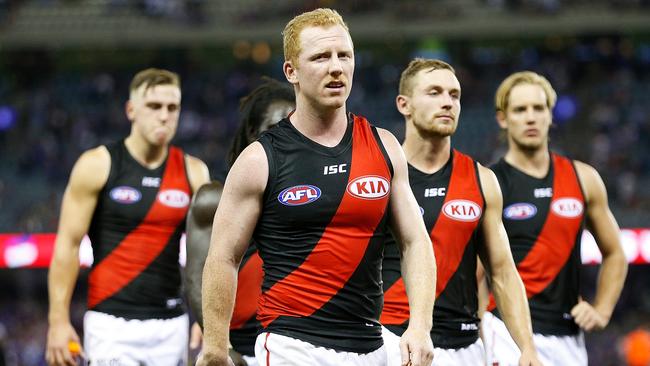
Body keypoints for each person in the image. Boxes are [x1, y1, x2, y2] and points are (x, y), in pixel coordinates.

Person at [198, 8, 436, 366]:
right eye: (321, 57)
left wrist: (420, 325)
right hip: (292, 347)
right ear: (291, 71)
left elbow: (415, 241)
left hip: (372, 346)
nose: (336, 67)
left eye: (344, 55)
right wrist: (215, 347)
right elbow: (223, 257)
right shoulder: (259, 159)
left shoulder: (385, 147)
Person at [379, 58, 541, 366]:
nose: (447, 103)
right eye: (434, 92)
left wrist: (527, 347)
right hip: (392, 342)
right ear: (404, 104)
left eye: (454, 95)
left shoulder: (482, 180)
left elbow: (503, 272)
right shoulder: (379, 176)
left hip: (463, 347)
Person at [46, 68, 210, 366]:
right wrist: (58, 321)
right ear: (131, 110)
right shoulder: (97, 165)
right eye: (154, 106)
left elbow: (206, 253)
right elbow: (67, 246)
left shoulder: (194, 172)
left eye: (172, 108)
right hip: (110, 324)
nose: (164, 116)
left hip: (171, 325)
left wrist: (206, 315)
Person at [481, 71, 628, 365]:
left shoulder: (583, 179)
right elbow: (473, 273)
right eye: (520, 110)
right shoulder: (488, 182)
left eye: (539, 108)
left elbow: (615, 253)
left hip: (568, 338)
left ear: (551, 115)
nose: (531, 117)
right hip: (506, 336)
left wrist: (602, 311)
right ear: (503, 119)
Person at [185, 78, 296, 366]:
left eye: (293, 128)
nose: (284, 138)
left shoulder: (318, 198)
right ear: (251, 133)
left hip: (296, 349)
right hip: (240, 352)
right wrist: (221, 346)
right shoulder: (214, 200)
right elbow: (197, 276)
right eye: (273, 129)